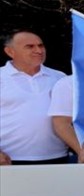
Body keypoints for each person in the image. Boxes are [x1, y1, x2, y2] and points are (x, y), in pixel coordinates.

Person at [0, 30, 69, 165]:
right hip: (8, 160)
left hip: (57, 158)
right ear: (10, 52)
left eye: (41, 45)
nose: (38, 50)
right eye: (30, 46)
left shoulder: (60, 78)